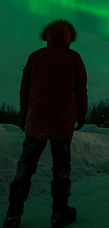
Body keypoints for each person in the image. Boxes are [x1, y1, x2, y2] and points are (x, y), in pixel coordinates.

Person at [3, 19, 88, 228]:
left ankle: (13, 215)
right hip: (63, 121)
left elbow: (25, 89)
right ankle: (59, 213)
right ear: (70, 37)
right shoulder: (74, 57)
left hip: (36, 121)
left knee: (25, 167)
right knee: (61, 167)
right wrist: (82, 114)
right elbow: (80, 89)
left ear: (47, 36)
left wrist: (24, 116)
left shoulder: (35, 57)